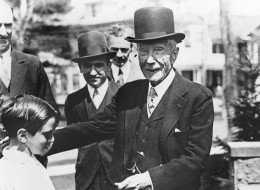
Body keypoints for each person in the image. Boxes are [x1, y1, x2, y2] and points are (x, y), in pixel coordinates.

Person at [43, 7, 214, 190]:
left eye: (158, 50)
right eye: (143, 51)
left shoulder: (198, 97)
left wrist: (150, 179)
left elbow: (195, 160)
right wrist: (42, 139)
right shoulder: (128, 93)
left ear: (174, 54)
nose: (149, 60)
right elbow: (92, 128)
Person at [0, 0, 58, 165]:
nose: (3, 32)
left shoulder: (32, 64)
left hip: (30, 161)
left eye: (8, 25)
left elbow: (52, 111)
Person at [65, 31, 119, 190]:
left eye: (99, 65)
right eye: (88, 66)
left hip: (117, 177)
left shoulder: (123, 95)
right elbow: (73, 138)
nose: (93, 72)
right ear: (80, 68)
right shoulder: (73, 101)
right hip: (86, 178)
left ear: (108, 65)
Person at [0, 94, 60, 190]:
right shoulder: (29, 172)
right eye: (47, 134)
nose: (52, 139)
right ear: (23, 136)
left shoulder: (4, 164)